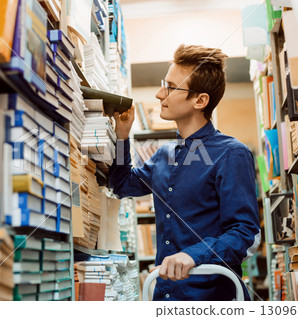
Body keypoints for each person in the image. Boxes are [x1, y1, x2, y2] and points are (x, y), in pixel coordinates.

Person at [109, 44, 261, 301]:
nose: (159, 94)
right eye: (163, 84)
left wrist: (193, 254)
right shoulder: (163, 156)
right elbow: (121, 185)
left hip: (212, 298)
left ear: (200, 100)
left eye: (170, 87)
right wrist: (122, 136)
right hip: (166, 295)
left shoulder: (231, 153)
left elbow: (243, 231)